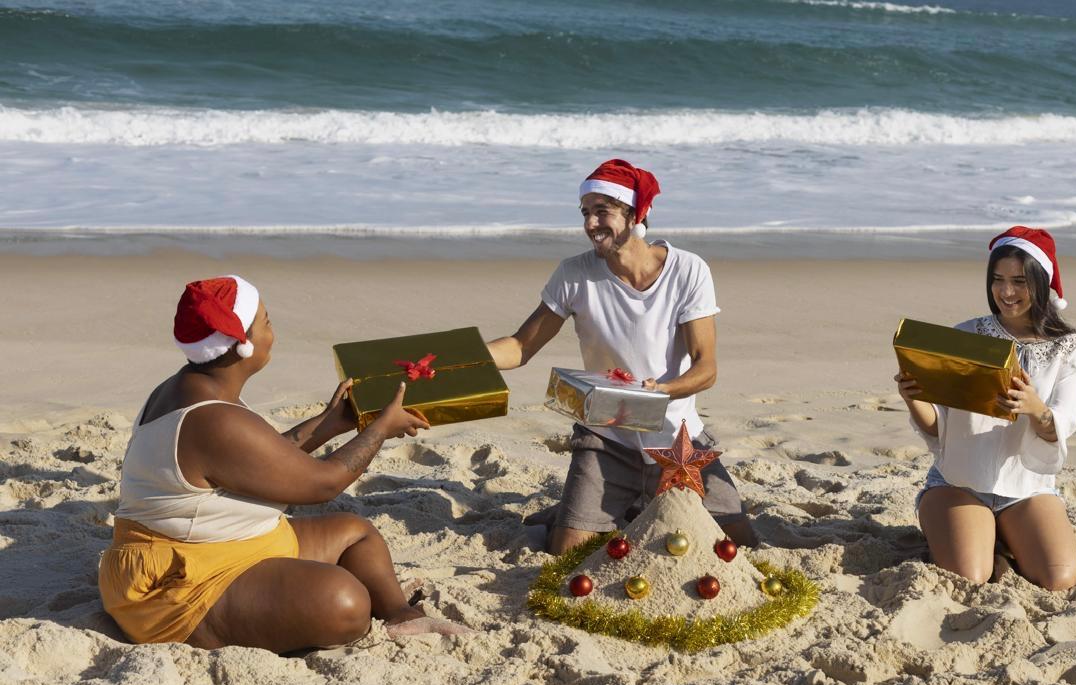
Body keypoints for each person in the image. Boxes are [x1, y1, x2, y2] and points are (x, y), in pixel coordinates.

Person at [99, 275, 470, 652]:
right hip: (182, 583)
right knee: (346, 604)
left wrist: (330, 423)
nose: (272, 331)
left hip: (228, 544)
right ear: (242, 345)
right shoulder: (213, 420)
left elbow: (261, 457)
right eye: (266, 322)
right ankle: (209, 627)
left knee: (357, 534)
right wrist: (379, 429)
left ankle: (400, 615)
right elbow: (322, 485)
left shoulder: (195, 388)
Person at [487, 159, 758, 555]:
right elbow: (521, 347)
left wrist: (661, 391)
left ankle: (621, 504)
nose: (591, 223)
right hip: (606, 436)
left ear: (636, 214)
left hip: (677, 439)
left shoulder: (688, 270)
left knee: (740, 544)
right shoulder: (573, 274)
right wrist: (461, 358)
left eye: (603, 212)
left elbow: (706, 368)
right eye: (585, 212)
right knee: (568, 552)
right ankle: (584, 508)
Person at [895, 227, 1076, 590]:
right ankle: (977, 536)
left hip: (1027, 488)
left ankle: (998, 533)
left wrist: (1034, 407)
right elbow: (937, 429)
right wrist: (913, 398)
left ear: (1040, 283)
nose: (1007, 292)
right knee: (971, 576)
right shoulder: (965, 335)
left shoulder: (1069, 347)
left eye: (1019, 281)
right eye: (998, 280)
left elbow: (1059, 427)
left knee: (1059, 578)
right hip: (959, 483)